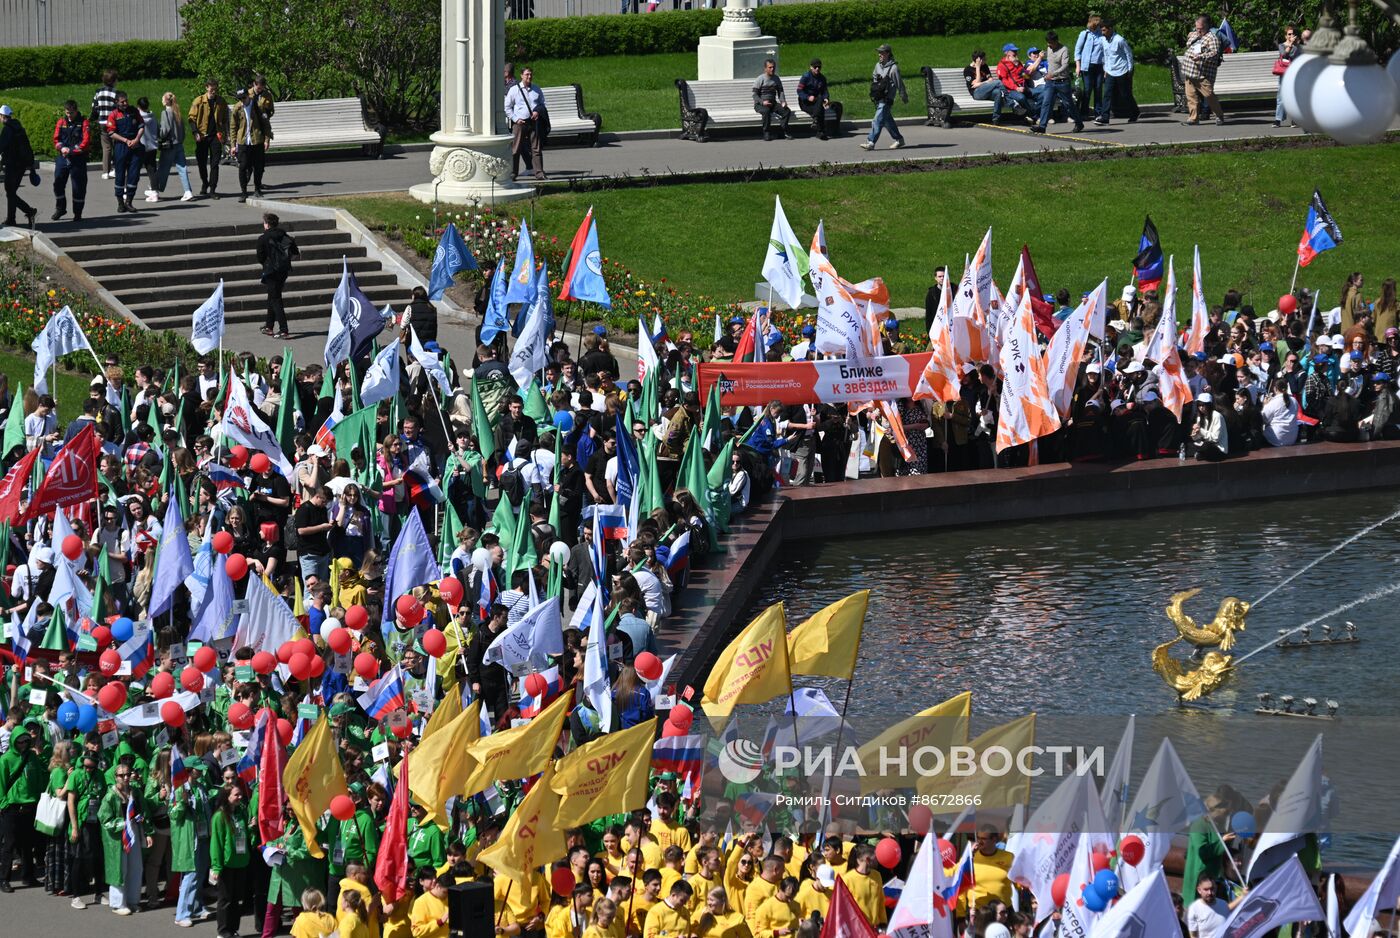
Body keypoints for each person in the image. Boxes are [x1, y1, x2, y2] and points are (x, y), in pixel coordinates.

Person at [98, 757, 145, 915]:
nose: (125, 778)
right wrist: (122, 823)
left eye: (128, 774)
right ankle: (118, 903)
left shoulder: (134, 792)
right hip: (117, 838)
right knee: (119, 868)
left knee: (135, 867)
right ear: (115, 777)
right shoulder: (110, 796)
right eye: (121, 775)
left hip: (133, 832)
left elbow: (142, 810)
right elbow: (104, 819)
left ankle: (132, 900)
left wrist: (141, 822)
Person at [256, 211, 299, 339]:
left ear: (267, 224)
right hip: (283, 271)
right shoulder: (284, 235)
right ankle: (269, 326)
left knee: (276, 299)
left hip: (270, 272)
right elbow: (295, 252)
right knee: (272, 296)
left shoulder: (263, 238)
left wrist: (267, 264)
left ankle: (283, 329)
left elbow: (260, 257)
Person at [1031, 31, 1084, 134]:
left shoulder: (1064, 50)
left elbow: (1065, 66)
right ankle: (1042, 126)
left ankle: (1079, 123)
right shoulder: (1049, 48)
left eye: (1051, 43)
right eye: (1048, 43)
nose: (1049, 45)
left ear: (1056, 41)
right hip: (1050, 82)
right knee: (1046, 103)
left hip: (1062, 82)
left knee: (1068, 104)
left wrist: (1053, 74)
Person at [230, 86, 273, 203]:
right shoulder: (237, 108)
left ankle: (257, 189)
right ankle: (243, 192)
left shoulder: (258, 106)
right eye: (240, 98)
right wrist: (233, 145)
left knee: (258, 167)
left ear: (248, 96)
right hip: (243, 142)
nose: (242, 100)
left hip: (257, 140)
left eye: (244, 98)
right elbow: (233, 127)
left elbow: (266, 124)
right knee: (243, 166)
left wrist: (267, 140)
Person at [860, 43, 907, 151]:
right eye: (879, 52)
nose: (879, 54)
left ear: (888, 53)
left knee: (877, 120)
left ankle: (871, 142)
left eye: (882, 52)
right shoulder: (877, 65)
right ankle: (899, 139)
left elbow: (899, 83)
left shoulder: (894, 68)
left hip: (887, 99)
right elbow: (874, 78)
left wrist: (903, 96)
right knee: (887, 121)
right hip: (878, 98)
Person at [505, 67, 549, 181]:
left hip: (534, 122)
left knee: (536, 148)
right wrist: (515, 119)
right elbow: (507, 107)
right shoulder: (514, 90)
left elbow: (542, 103)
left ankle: (539, 173)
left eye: (530, 74)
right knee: (516, 148)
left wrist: (537, 112)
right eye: (527, 74)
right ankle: (513, 173)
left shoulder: (536, 89)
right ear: (521, 75)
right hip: (520, 123)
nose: (529, 76)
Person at [1181, 16, 1226, 126]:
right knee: (1191, 96)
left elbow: (1214, 53)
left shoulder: (1212, 38)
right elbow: (1189, 44)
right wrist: (1192, 36)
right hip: (1190, 71)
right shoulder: (1195, 34)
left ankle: (1219, 115)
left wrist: (1201, 57)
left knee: (1209, 95)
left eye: (1200, 28)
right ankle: (1193, 118)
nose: (1198, 30)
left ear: (1206, 26)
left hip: (1202, 74)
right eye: (1196, 28)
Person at [104, 90, 144, 214]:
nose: (125, 103)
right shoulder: (113, 114)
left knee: (134, 175)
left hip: (135, 146)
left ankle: (129, 202)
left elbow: (142, 126)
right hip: (121, 147)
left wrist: (137, 139)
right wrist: (125, 140)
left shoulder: (134, 111)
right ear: (116, 102)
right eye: (122, 102)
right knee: (120, 175)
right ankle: (120, 203)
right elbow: (111, 133)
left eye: (126, 101)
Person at [51, 99, 91, 222]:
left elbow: (85, 142)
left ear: (76, 111)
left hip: (78, 159)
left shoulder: (84, 122)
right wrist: (62, 148)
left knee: (78, 187)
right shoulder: (61, 122)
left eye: (71, 113)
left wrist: (72, 150)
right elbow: (56, 139)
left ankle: (77, 213)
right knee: (58, 184)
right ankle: (60, 208)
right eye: (67, 112)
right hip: (63, 158)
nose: (69, 115)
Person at [188, 79, 228, 199]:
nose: (213, 91)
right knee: (202, 163)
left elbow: (225, 119)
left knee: (215, 164)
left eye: (215, 88)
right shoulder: (199, 101)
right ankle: (205, 183)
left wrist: (225, 134)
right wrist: (195, 132)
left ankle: (213, 190)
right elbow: (191, 118)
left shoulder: (221, 101)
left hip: (216, 136)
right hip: (202, 136)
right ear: (206, 87)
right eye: (211, 88)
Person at [0, 105, 38, 229]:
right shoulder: (18, 127)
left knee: (10, 192)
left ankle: (29, 211)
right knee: (11, 192)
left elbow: (1, 146)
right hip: (21, 165)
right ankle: (11, 219)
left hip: (12, 165)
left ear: (2, 116)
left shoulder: (7, 129)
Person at [1097, 20, 1139, 124]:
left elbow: (1128, 54)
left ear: (1110, 29)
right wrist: (1105, 69)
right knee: (1107, 94)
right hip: (1110, 71)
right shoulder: (1103, 40)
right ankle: (1105, 118)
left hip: (1122, 70)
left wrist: (1130, 69)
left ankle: (1135, 112)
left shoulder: (1119, 40)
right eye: (1101, 30)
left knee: (1125, 94)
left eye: (1104, 30)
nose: (1102, 33)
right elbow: (1106, 56)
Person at [156, 91, 195, 201]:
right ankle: (188, 191)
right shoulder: (177, 112)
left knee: (163, 168)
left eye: (163, 98)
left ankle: (156, 189)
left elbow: (165, 130)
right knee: (182, 168)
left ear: (166, 101)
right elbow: (182, 130)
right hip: (179, 144)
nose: (161, 100)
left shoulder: (165, 113)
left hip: (169, 145)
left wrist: (158, 132)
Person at [752, 58, 792, 142]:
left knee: (786, 111)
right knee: (766, 111)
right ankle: (766, 132)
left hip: (772, 103)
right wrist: (762, 102)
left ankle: (782, 132)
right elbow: (754, 95)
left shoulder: (776, 79)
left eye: (773, 67)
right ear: (765, 68)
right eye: (770, 67)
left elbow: (780, 92)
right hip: (760, 104)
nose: (772, 69)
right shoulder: (760, 79)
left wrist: (783, 101)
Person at [1074, 15, 1105, 117]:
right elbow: (1077, 51)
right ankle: (1084, 112)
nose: (1095, 27)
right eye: (1094, 25)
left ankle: (1098, 112)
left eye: (1097, 25)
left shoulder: (1102, 34)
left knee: (1098, 89)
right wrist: (1078, 66)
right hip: (1087, 66)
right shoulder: (1085, 34)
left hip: (1100, 65)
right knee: (1087, 89)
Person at [963, 50, 1006, 124]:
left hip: (987, 92)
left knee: (998, 92)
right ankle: (1010, 101)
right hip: (977, 93)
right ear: (979, 60)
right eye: (984, 59)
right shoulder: (967, 70)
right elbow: (975, 84)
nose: (986, 60)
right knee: (998, 82)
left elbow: (990, 79)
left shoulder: (985, 66)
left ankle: (996, 118)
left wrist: (981, 83)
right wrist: (978, 68)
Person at [993, 45, 1033, 123]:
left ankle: (1033, 115)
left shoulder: (1018, 62)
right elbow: (1003, 81)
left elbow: (1026, 76)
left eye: (1016, 51)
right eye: (1013, 51)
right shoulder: (1002, 65)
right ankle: (1033, 115)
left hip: (1023, 87)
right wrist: (1016, 88)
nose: (1016, 53)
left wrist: (1019, 67)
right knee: (1021, 98)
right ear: (1007, 53)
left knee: (1040, 93)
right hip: (1010, 90)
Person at [92, 69, 119, 178]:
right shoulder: (115, 93)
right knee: (116, 146)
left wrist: (95, 117)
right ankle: (116, 169)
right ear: (114, 81)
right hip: (113, 123)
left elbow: (94, 106)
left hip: (102, 121)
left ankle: (105, 172)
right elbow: (118, 108)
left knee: (106, 147)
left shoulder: (98, 92)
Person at [796, 58, 832, 140]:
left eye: (819, 67)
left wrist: (826, 98)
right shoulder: (805, 77)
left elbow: (825, 91)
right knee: (820, 109)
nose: (817, 69)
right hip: (805, 103)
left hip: (816, 102)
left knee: (820, 101)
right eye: (815, 67)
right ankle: (821, 131)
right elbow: (799, 90)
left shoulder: (822, 78)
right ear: (811, 67)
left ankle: (816, 121)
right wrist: (808, 97)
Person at [1274, 26, 1302, 126]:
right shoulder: (1282, 45)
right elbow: (1284, 55)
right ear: (1286, 36)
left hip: (1295, 74)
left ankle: (1295, 119)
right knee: (1281, 97)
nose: (1291, 36)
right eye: (1289, 34)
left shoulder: (1298, 47)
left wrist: (1296, 45)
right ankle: (1278, 119)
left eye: (1293, 34)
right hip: (1284, 74)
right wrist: (1290, 45)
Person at [136, 96, 161, 202]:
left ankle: (128, 190)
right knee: (152, 170)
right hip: (152, 146)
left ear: (138, 106)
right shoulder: (152, 116)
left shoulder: (138, 117)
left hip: (141, 146)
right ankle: (155, 192)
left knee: (134, 169)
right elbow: (158, 129)